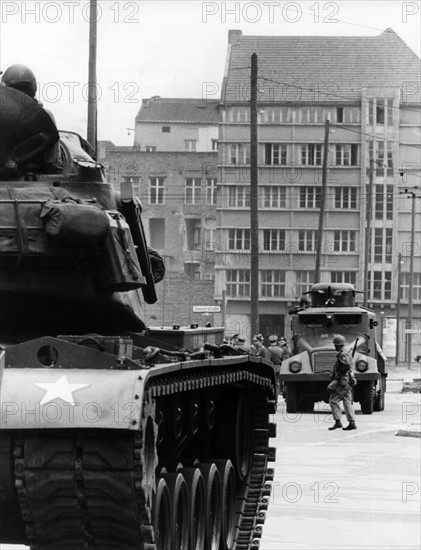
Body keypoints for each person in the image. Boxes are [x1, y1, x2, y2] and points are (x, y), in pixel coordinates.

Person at [1, 63, 62, 173]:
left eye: (22, 90)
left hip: (31, 174)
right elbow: (51, 162)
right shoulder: (44, 116)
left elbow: (51, 163)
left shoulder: (44, 116)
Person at [328, 334, 357, 431]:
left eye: (335, 345)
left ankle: (337, 421)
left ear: (337, 345)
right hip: (348, 381)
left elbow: (347, 365)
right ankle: (352, 422)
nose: (335, 346)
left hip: (342, 381)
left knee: (333, 400)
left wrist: (340, 374)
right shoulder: (346, 353)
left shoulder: (343, 354)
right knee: (347, 401)